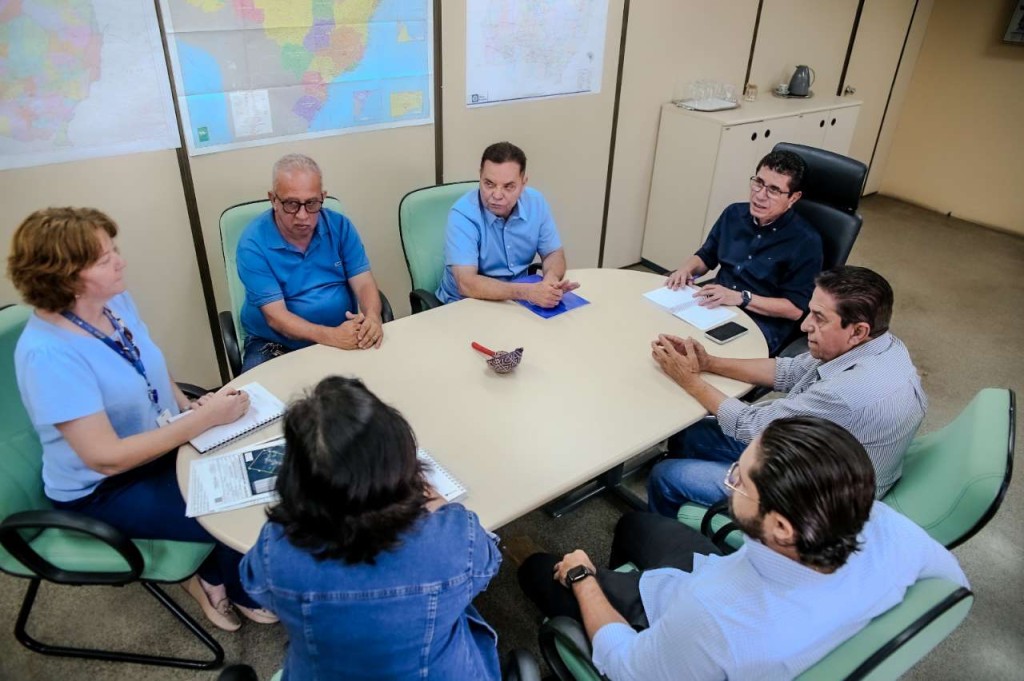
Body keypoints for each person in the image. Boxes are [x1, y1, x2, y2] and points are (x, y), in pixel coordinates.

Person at [519, 417, 967, 681]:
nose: (729, 480)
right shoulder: (889, 527)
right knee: (635, 524)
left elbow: (624, 667)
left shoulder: (716, 616)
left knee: (539, 568)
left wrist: (583, 577)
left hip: (675, 635)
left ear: (781, 527)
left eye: (739, 478)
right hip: (714, 578)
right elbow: (951, 585)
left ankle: (611, 601)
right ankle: (626, 588)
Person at [8, 207, 276, 632]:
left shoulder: (112, 301)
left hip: (159, 442)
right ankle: (225, 583)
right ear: (64, 278)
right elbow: (106, 458)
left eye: (114, 250)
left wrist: (188, 406)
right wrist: (201, 422)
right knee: (231, 507)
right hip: (103, 489)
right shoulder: (48, 355)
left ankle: (221, 573)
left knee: (257, 470)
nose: (121, 261)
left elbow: (146, 363)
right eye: (104, 259)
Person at [241, 376, 502, 680]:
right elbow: (487, 565)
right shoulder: (453, 537)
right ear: (400, 464)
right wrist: (440, 505)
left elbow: (256, 586)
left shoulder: (277, 547)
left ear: (295, 478)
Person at [648, 265, 926, 517]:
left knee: (666, 475)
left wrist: (690, 381)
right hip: (816, 457)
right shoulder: (882, 343)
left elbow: (751, 424)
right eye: (810, 312)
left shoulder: (848, 393)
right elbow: (788, 371)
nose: (805, 325)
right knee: (691, 432)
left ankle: (670, 540)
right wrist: (709, 362)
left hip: (816, 499)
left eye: (819, 318)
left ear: (857, 331)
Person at [237, 153, 384, 371]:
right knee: (260, 393)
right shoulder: (253, 243)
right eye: (291, 204)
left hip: (343, 332)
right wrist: (332, 336)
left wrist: (372, 317)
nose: (303, 216)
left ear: (323, 197)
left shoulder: (340, 227)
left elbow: (364, 283)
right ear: (273, 199)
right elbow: (277, 318)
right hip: (276, 343)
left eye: (312, 203)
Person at [665, 150, 822, 354]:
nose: (760, 195)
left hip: (760, 323)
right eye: (758, 183)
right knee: (663, 331)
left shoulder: (806, 241)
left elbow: (794, 309)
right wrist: (686, 269)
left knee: (696, 356)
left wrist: (741, 298)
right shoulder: (734, 214)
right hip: (715, 304)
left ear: (793, 197)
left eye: (774, 190)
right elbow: (706, 256)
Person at [434, 141, 579, 307]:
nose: (497, 195)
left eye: (508, 186)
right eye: (489, 184)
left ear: (523, 184)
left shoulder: (536, 202)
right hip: (466, 304)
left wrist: (551, 281)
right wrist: (527, 292)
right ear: (480, 176)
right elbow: (466, 284)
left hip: (517, 302)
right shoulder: (463, 214)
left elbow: (553, 253)